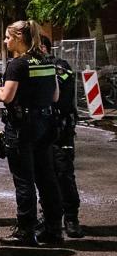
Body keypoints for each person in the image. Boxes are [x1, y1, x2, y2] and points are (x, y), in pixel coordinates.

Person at [0, 21, 63, 246]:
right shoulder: (47, 61)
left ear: (18, 38)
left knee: (24, 179)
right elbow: (55, 96)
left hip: (22, 127)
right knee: (47, 177)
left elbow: (7, 96)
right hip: (46, 124)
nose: (5, 41)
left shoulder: (17, 65)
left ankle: (25, 230)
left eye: (8, 37)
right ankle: (54, 228)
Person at [42, 36, 84, 238]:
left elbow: (54, 92)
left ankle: (71, 218)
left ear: (43, 47)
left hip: (60, 130)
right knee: (44, 176)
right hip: (41, 129)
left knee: (63, 173)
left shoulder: (60, 66)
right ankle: (50, 219)